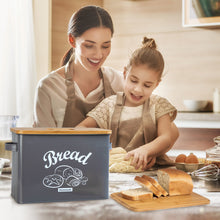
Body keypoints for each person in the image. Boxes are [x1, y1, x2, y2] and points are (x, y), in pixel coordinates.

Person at [77, 37, 179, 170]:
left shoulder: (158, 105)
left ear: (156, 84)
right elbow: (80, 128)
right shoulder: (109, 105)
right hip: (115, 170)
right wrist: (100, 147)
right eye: (134, 81)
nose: (138, 89)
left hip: (152, 170)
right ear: (125, 74)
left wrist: (147, 151)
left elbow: (165, 137)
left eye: (147, 85)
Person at [33, 5, 124, 127]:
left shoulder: (119, 81)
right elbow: (43, 143)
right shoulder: (49, 87)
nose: (98, 54)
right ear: (72, 40)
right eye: (89, 45)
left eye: (105, 46)